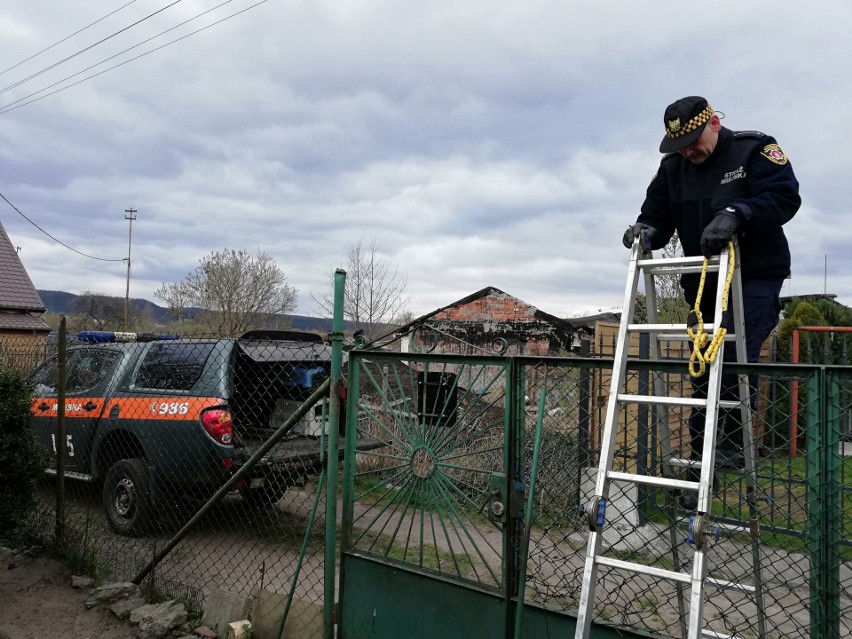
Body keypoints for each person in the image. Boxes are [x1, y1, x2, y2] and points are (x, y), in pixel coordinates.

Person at [622, 96, 801, 509]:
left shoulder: (754, 149)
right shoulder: (672, 170)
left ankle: (729, 448)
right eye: (678, 145)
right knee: (704, 365)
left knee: (735, 353)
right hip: (703, 281)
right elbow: (656, 216)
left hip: (754, 274)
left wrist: (739, 212)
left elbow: (784, 197)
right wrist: (644, 232)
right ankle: (704, 463)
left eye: (692, 141)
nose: (687, 151)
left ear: (714, 123)